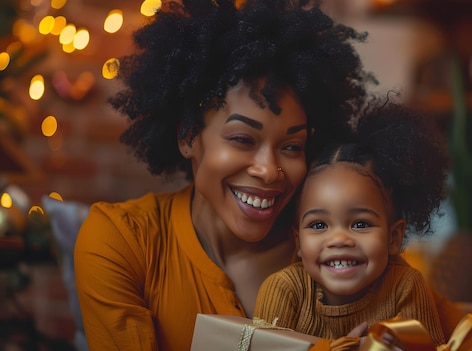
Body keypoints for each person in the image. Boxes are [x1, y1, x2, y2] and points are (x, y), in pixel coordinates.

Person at [73, 0, 375, 350]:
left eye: (292, 147)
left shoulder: (337, 246)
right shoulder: (123, 242)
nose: (269, 170)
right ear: (188, 137)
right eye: (243, 139)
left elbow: (447, 329)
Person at [254, 100, 472, 351]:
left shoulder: (405, 286)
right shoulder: (283, 290)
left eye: (359, 224)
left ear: (393, 237)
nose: (339, 239)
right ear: (298, 241)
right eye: (319, 224)